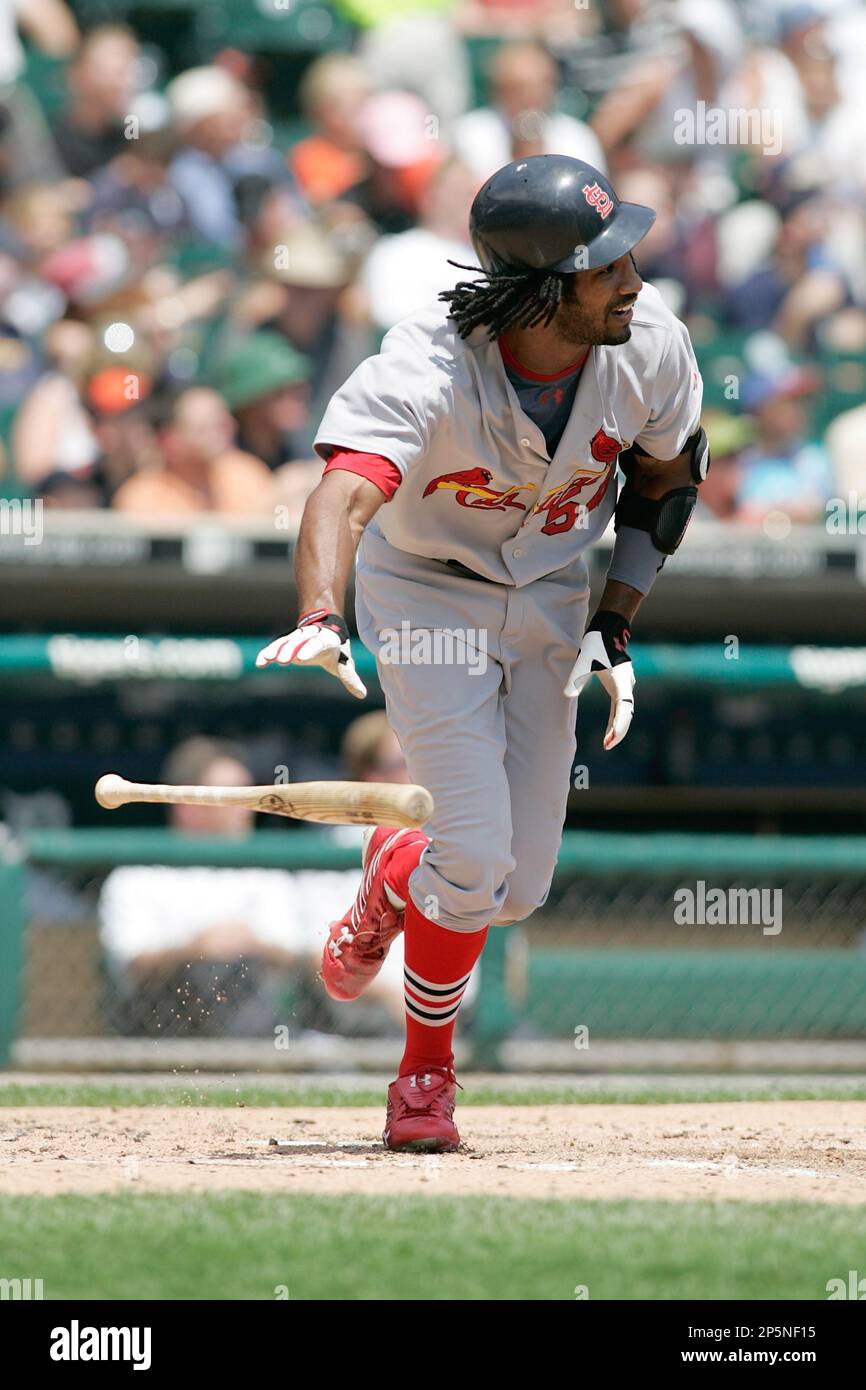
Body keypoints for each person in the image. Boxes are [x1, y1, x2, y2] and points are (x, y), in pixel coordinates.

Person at [255, 155, 708, 1150]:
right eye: (605, 265)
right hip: (425, 592)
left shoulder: (649, 340)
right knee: (473, 859)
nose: (632, 278)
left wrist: (617, 614)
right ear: (544, 290)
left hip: (549, 588)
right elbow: (344, 489)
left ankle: (391, 869)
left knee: (511, 888)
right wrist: (323, 611)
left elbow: (667, 479)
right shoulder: (427, 359)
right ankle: (423, 1078)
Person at [452, 41, 606, 183]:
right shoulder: (470, 133)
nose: (532, 97)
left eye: (542, 87)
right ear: (499, 91)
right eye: (520, 89)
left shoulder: (577, 136)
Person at [111, 386, 274, 514]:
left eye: (224, 423)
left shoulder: (246, 474)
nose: (223, 433)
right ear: (170, 439)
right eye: (205, 429)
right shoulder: (142, 497)